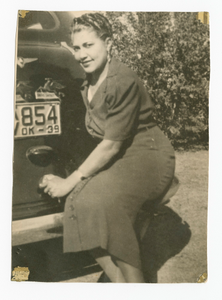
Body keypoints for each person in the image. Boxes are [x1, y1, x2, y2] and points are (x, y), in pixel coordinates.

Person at [39, 13, 175, 283]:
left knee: (104, 204)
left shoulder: (121, 80)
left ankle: (135, 285)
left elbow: (111, 145)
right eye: (76, 48)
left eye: (89, 46)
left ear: (109, 43)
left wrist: (69, 180)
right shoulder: (86, 80)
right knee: (78, 202)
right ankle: (119, 282)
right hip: (120, 156)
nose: (81, 55)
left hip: (147, 156)